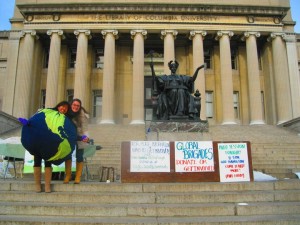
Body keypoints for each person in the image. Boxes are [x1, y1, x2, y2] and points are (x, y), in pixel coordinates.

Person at [20, 101, 77, 193]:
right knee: (37, 162)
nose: (64, 109)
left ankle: (47, 186)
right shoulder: (47, 112)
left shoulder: (66, 120)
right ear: (58, 106)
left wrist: (79, 137)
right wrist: (27, 123)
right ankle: (37, 185)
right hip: (39, 142)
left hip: (51, 145)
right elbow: (37, 121)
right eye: (62, 106)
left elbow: (69, 133)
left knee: (48, 164)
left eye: (66, 108)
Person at [63, 98, 89, 184]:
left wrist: (86, 136)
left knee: (79, 156)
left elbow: (84, 126)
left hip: (80, 136)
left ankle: (78, 177)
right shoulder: (67, 113)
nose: (76, 107)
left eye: (78, 105)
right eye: (74, 105)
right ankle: (68, 175)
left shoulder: (81, 114)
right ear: (71, 105)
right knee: (67, 155)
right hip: (69, 136)